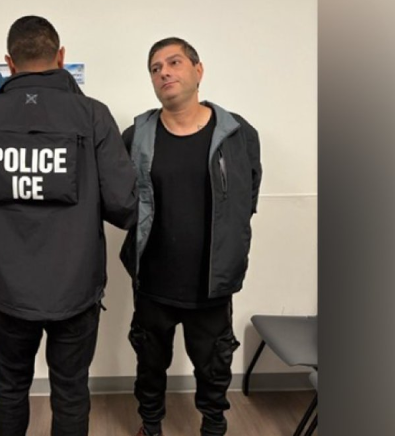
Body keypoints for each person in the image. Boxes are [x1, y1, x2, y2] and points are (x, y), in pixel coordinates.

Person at [0, 15, 137, 436]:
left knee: (10, 386)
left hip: (8, 291)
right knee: (71, 389)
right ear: (61, 57)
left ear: (9, 63)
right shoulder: (92, 116)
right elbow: (124, 205)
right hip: (76, 290)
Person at [119, 37, 262, 436]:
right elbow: (119, 197)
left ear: (198, 71)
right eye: (155, 68)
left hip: (211, 283)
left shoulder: (238, 134)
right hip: (153, 282)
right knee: (150, 362)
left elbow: (247, 196)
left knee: (213, 365)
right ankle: (150, 425)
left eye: (174, 62)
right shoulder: (137, 135)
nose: (164, 72)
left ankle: (213, 426)